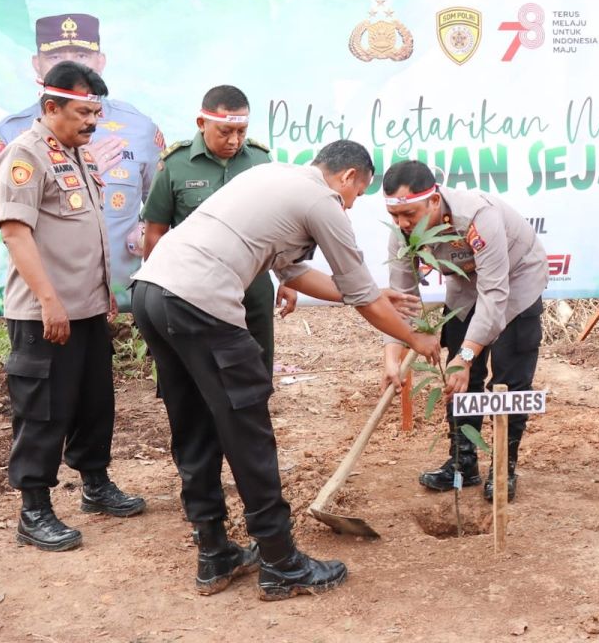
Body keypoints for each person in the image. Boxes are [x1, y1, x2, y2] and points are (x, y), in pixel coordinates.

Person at [131, 140, 438, 599]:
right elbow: (362, 301)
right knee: (246, 428)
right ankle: (280, 562)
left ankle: (214, 552)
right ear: (349, 177)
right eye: (356, 194)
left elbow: (293, 273)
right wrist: (416, 339)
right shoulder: (322, 200)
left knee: (193, 424)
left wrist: (375, 291)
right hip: (200, 300)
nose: (350, 205)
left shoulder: (271, 177)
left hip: (152, 292)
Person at [0, 61, 146, 552]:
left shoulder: (76, 154)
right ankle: (34, 511)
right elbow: (16, 233)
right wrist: (49, 302)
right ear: (50, 107)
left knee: (93, 403)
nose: (92, 122)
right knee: (42, 411)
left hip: (84, 310)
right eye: (83, 112)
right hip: (44, 314)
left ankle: (96, 487)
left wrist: (100, 297)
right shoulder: (26, 155)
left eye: (96, 112)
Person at [381, 160, 548, 502]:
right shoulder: (401, 229)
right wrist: (391, 357)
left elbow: (495, 293)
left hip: (515, 282)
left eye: (409, 214)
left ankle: (504, 467)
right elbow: (402, 299)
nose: (402, 224)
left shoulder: (476, 217)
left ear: (433, 200)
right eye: (395, 215)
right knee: (460, 379)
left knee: (508, 379)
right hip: (466, 287)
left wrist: (467, 354)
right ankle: (463, 464)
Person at [0, 13, 165, 308]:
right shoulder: (12, 133)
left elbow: (162, 204)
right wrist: (77, 173)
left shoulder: (139, 128)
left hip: (125, 296)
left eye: (81, 54)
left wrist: (145, 230)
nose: (72, 64)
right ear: (37, 63)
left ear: (100, 61)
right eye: (56, 55)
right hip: (47, 298)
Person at [141, 84, 295, 375]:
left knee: (256, 367)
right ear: (202, 123)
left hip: (252, 284)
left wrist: (288, 278)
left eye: (241, 131)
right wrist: (156, 287)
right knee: (199, 370)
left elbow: (278, 229)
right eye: (224, 132)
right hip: (193, 287)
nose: (234, 140)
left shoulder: (261, 161)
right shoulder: (176, 165)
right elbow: (155, 232)